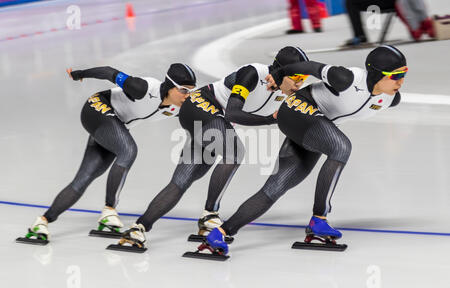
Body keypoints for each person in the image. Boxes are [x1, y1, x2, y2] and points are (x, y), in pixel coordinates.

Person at [203, 45, 407, 256]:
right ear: (375, 74)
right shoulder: (346, 78)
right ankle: (319, 219)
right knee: (341, 147)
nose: (401, 82)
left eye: (404, 74)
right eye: (395, 76)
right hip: (297, 109)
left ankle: (220, 233)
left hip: (313, 126)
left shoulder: (391, 99)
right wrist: (279, 73)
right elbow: (309, 66)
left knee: (277, 186)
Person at [115, 46, 310, 250]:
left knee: (183, 179)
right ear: (279, 71)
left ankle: (138, 228)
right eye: (296, 76)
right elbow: (233, 113)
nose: (300, 83)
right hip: (200, 105)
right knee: (234, 153)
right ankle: (210, 214)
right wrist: (270, 119)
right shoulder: (252, 74)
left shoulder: (287, 90)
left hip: (215, 119)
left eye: (304, 77)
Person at [18, 63, 197, 243]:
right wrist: (79, 74)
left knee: (85, 177)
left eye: (191, 90)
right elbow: (108, 72)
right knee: (128, 150)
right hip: (96, 109)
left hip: (113, 126)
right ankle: (109, 210)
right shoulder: (142, 88)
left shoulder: (178, 107)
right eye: (183, 90)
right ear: (169, 85)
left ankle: (41, 222)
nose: (187, 95)